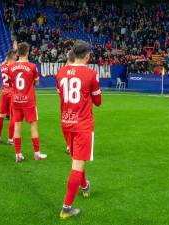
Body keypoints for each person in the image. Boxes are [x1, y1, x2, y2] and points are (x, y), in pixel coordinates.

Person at [56, 40, 102, 219]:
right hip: (82, 124)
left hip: (66, 123)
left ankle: (85, 186)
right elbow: (98, 102)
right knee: (77, 164)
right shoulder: (91, 74)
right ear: (88, 56)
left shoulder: (60, 73)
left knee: (77, 159)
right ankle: (66, 208)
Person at [9, 42, 47, 162]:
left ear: (18, 53)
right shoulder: (32, 66)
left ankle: (18, 154)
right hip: (28, 101)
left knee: (17, 127)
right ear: (28, 52)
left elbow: (12, 82)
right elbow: (36, 83)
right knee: (33, 127)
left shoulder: (11, 67)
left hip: (16, 100)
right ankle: (36, 154)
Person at [0, 50, 16, 145]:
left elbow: (6, 60)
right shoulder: (14, 67)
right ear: (12, 57)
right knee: (13, 117)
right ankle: (10, 139)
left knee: (1, 116)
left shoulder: (2, 66)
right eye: (15, 57)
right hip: (12, 93)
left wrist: (11, 52)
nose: (16, 58)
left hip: (3, 93)